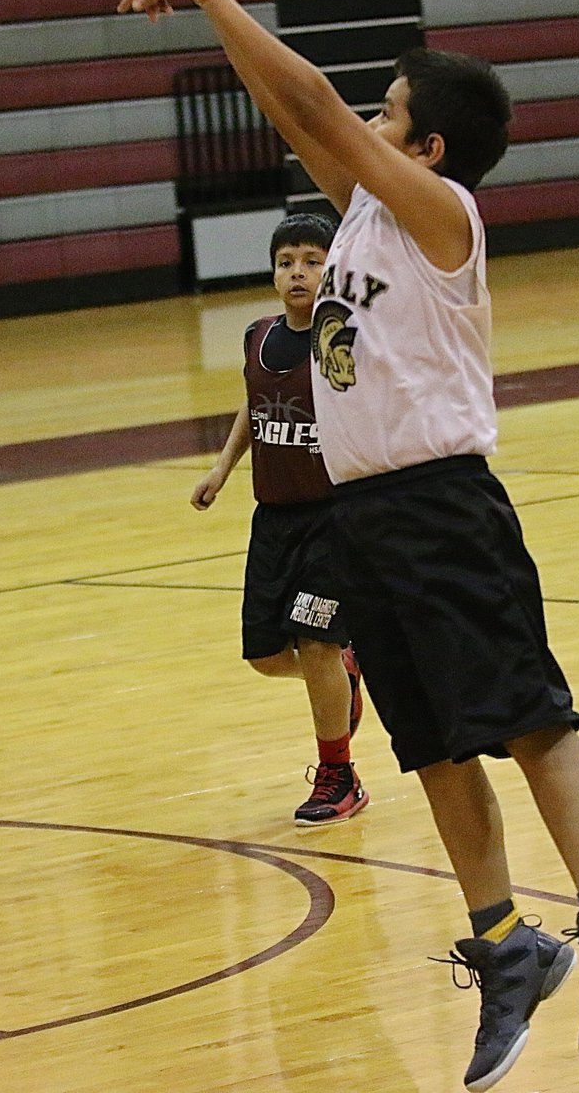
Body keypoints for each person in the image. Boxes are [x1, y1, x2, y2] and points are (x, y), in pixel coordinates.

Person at [119, 0, 579, 1089]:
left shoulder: (440, 217)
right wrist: (228, 30)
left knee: (525, 720)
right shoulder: (361, 216)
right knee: (432, 746)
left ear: (434, 145)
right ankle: (510, 945)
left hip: (444, 503)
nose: (366, 120)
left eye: (388, 110)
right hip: (363, 518)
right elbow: (296, 111)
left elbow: (309, 105)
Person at [189, 212, 368, 827]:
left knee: (315, 640)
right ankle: (343, 673)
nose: (298, 272)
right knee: (266, 655)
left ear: (334, 269)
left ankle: (339, 777)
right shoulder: (257, 337)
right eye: (287, 261)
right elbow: (254, 404)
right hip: (274, 520)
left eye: (313, 261)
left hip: (333, 521)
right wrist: (221, 469)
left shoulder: (344, 338)